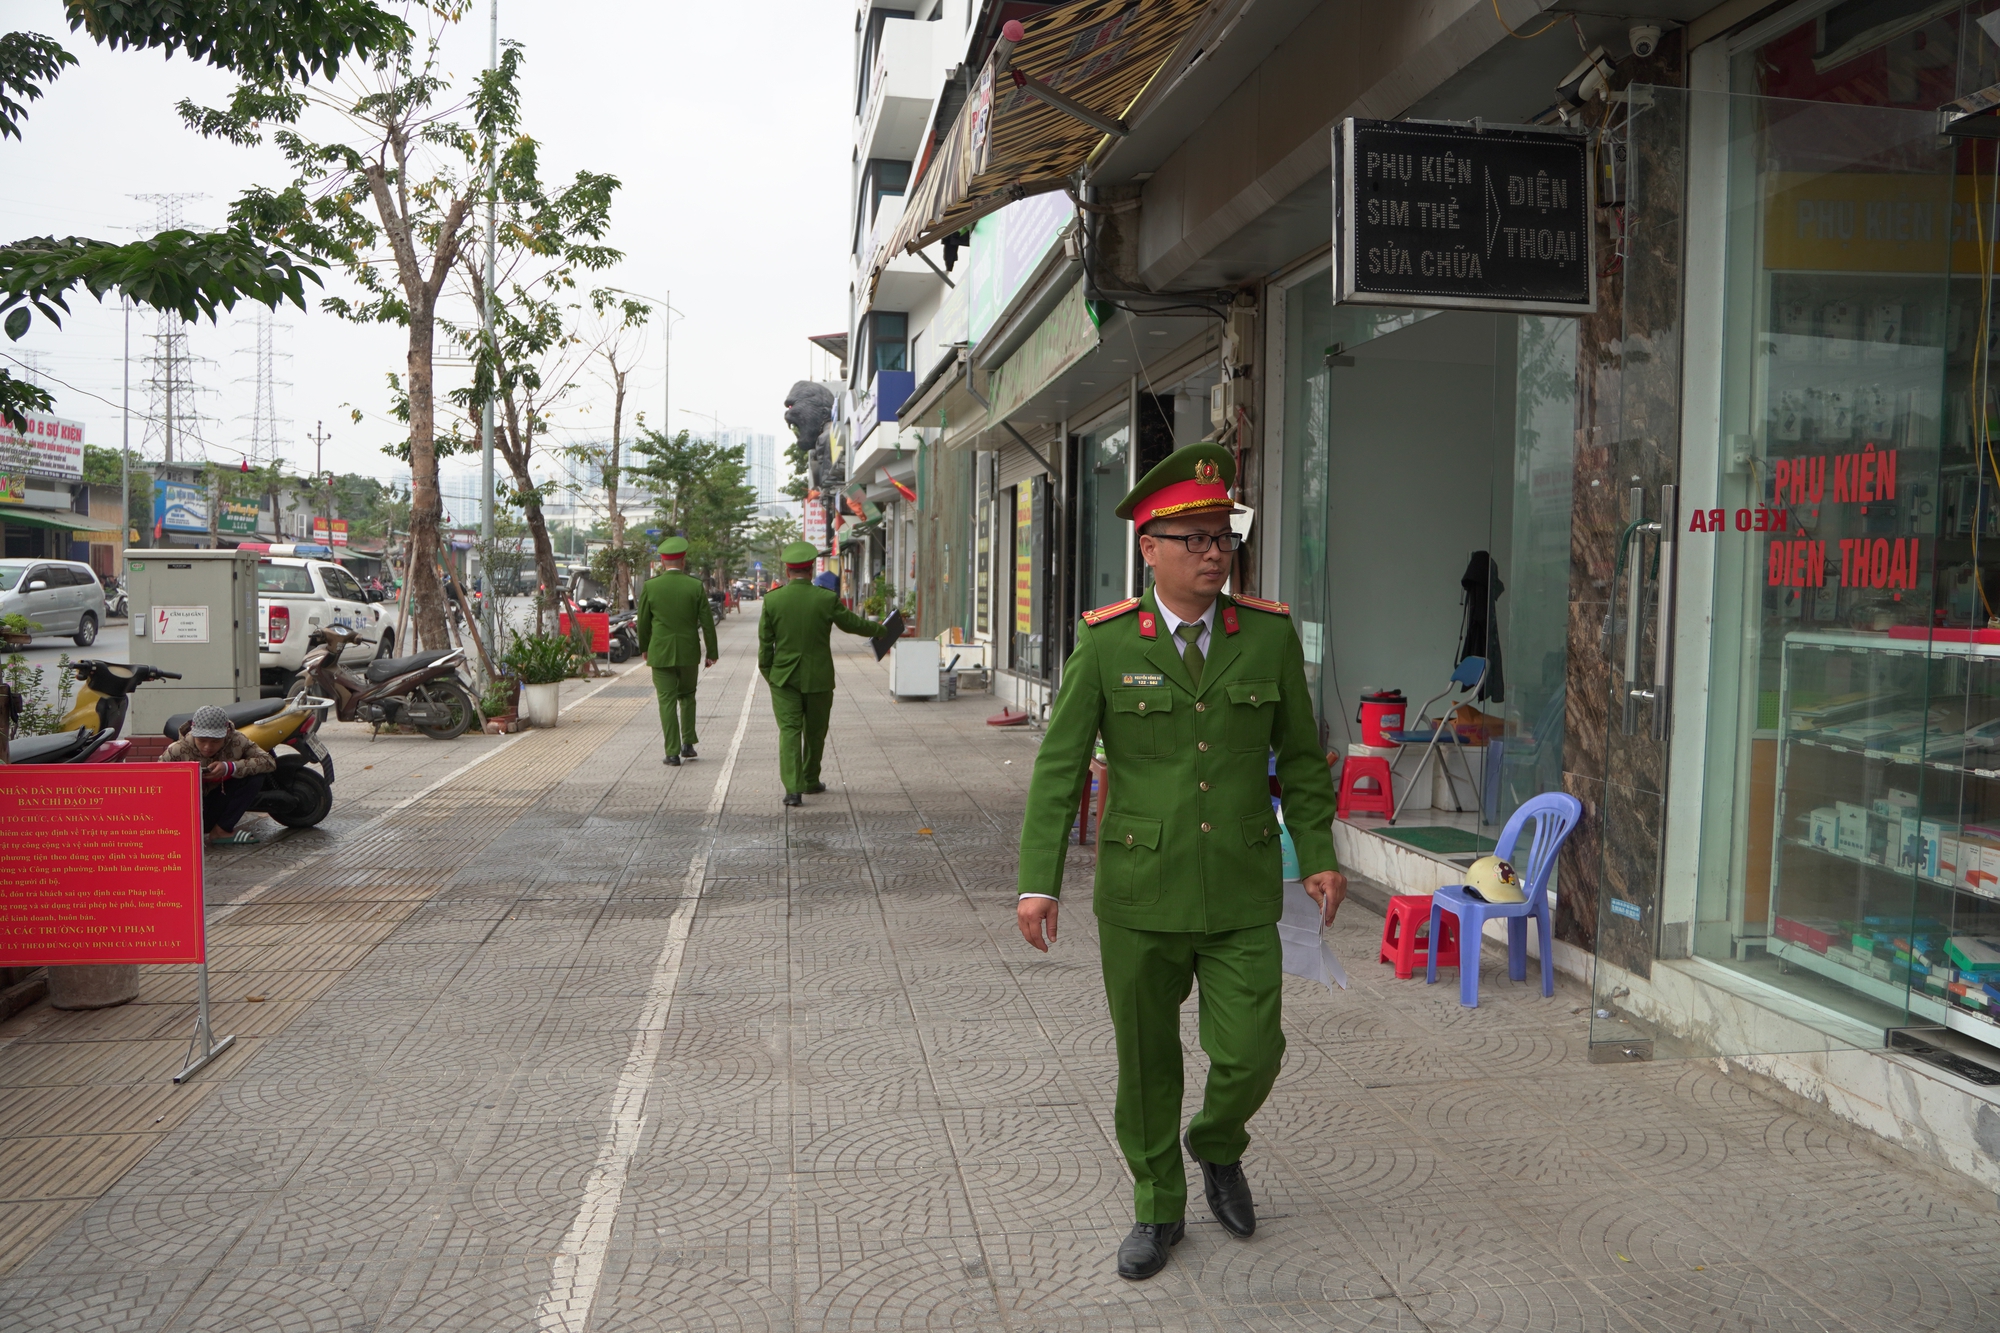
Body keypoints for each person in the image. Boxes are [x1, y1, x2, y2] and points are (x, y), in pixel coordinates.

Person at [1015, 442, 1344, 1281]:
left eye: (1221, 536)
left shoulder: (1266, 639)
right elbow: (1059, 767)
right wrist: (1037, 880)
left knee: (1252, 1051)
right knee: (1148, 1061)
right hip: (1140, 891)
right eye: (1193, 537)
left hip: (1240, 886)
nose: (1212, 552)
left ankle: (1216, 1144)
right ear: (1149, 548)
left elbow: (1301, 760)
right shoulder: (1106, 642)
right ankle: (1158, 1208)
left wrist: (1317, 852)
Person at [757, 541, 889, 806]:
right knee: (816, 731)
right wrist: (883, 630)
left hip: (783, 678)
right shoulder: (826, 598)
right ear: (811, 568)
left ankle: (792, 790)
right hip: (818, 676)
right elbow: (854, 625)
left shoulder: (772, 600)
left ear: (787, 570)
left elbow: (765, 645)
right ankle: (810, 780)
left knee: (790, 731)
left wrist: (770, 675)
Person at [636, 536, 719, 766]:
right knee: (688, 696)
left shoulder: (651, 586)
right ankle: (688, 744)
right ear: (683, 562)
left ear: (662, 562)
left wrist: (645, 647)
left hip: (660, 653)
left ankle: (671, 753)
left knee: (666, 700)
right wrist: (712, 651)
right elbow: (707, 621)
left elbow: (643, 622)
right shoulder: (694, 586)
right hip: (688, 651)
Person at [166, 705, 276, 846]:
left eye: (215, 741)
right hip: (188, 812)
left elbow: (268, 762)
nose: (207, 747)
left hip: (217, 805)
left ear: (227, 733)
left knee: (256, 777)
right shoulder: (177, 750)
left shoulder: (237, 740)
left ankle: (221, 830)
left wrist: (230, 768)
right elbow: (156, 782)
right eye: (202, 740)